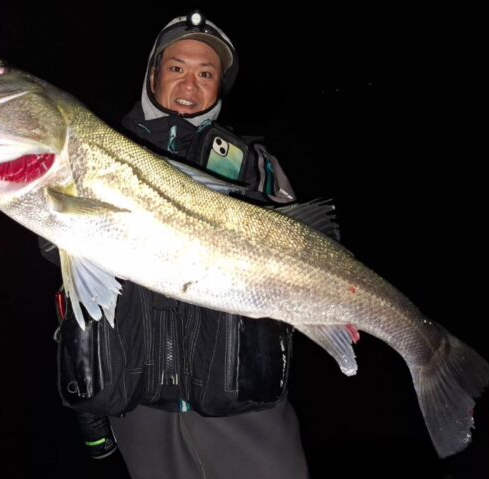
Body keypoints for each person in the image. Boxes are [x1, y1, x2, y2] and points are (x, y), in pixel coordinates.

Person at [45, 10, 315, 478]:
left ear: (218, 88)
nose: (190, 85)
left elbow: (306, 256)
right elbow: (56, 251)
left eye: (206, 74)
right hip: (139, 409)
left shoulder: (253, 166)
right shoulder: (95, 149)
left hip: (244, 413)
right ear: (152, 75)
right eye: (176, 68)